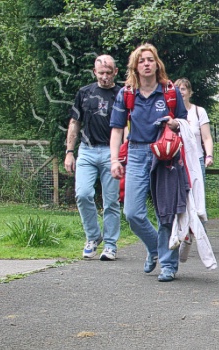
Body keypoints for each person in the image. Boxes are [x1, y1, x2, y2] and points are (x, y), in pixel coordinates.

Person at [109, 43, 188, 282]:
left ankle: (168, 265)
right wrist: (114, 160)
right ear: (135, 66)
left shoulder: (169, 91)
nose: (146, 63)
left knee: (166, 213)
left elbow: (185, 122)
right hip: (135, 152)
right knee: (132, 212)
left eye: (150, 59)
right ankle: (155, 248)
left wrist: (175, 124)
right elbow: (116, 129)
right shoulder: (126, 93)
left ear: (157, 64)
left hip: (165, 156)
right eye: (141, 60)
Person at [65, 55, 121, 261]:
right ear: (94, 72)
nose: (105, 77)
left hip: (111, 152)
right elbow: (74, 122)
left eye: (108, 73)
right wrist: (69, 152)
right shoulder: (84, 93)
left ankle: (111, 244)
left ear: (115, 72)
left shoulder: (121, 94)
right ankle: (92, 236)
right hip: (87, 150)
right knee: (83, 194)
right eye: (101, 73)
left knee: (111, 201)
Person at [174, 78, 214, 180]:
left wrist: (209, 156)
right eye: (177, 89)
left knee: (198, 194)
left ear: (190, 92)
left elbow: (207, 137)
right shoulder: (171, 113)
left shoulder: (199, 111)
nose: (180, 92)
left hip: (196, 159)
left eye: (183, 89)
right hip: (176, 161)